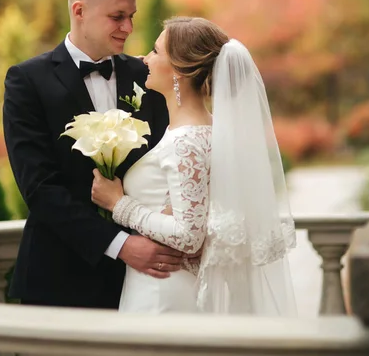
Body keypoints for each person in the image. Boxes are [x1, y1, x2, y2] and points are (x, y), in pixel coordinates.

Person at [3, 0, 183, 309]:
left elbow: (171, 162)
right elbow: (40, 188)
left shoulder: (147, 75)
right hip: (58, 277)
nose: (128, 27)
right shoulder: (26, 81)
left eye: (131, 16)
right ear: (80, 10)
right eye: (118, 16)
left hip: (145, 281)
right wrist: (121, 245)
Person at [92, 16, 297, 314]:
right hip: (166, 283)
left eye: (156, 51)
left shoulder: (185, 141)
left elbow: (189, 235)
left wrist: (119, 204)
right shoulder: (211, 131)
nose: (145, 58)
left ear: (179, 71)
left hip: (162, 290)